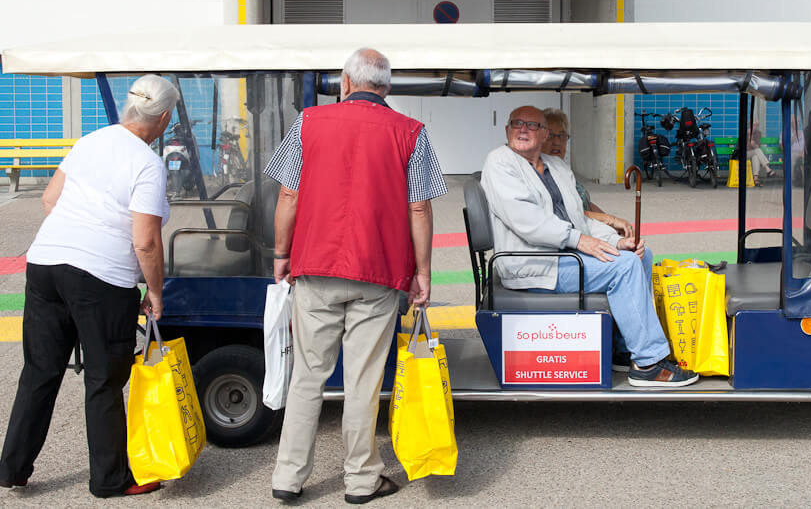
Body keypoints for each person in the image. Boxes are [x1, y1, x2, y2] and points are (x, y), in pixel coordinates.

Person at [267, 48, 447, 504]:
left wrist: (281, 255)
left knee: (308, 374)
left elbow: (288, 196)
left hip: (316, 266)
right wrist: (422, 272)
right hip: (379, 271)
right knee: (363, 378)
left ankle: (288, 477)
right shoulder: (412, 132)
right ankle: (361, 480)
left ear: (346, 82)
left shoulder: (308, 123)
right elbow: (420, 207)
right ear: (386, 87)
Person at [0, 75, 179, 498]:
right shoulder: (147, 163)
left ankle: (13, 467)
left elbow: (49, 200)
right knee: (103, 378)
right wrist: (155, 292)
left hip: (45, 263)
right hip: (100, 278)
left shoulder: (90, 141)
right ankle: (110, 479)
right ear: (165, 117)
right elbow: (146, 241)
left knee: (39, 371)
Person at [480, 106, 698, 388]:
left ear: (543, 134)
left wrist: (616, 241)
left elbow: (578, 219)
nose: (523, 129)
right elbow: (528, 221)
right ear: (507, 129)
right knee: (624, 267)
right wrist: (580, 241)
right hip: (531, 263)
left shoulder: (555, 166)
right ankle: (648, 362)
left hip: (563, 256)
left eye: (532, 125)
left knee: (640, 256)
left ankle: (624, 349)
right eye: (517, 123)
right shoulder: (500, 162)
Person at [540, 108, 633, 238]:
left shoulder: (562, 169)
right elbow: (572, 214)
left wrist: (614, 225)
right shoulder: (541, 174)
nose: (556, 142)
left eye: (562, 136)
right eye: (550, 135)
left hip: (591, 231)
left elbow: (585, 203)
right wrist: (611, 220)